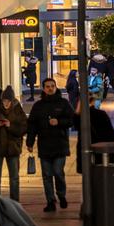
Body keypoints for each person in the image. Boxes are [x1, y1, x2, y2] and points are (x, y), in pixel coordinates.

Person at [25, 78, 74, 212]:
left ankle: (61, 195)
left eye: (52, 86)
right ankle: (50, 201)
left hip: (60, 144)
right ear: (43, 89)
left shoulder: (63, 103)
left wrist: (59, 122)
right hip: (44, 145)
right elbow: (32, 125)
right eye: (47, 86)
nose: (50, 88)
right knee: (46, 175)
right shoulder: (38, 106)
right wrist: (30, 142)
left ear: (56, 87)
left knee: (58, 172)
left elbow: (71, 120)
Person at [74, 94, 114, 174]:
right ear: (93, 102)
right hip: (100, 149)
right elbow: (110, 133)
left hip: (85, 148)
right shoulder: (101, 114)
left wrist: (78, 110)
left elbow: (76, 126)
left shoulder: (80, 116)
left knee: (87, 176)